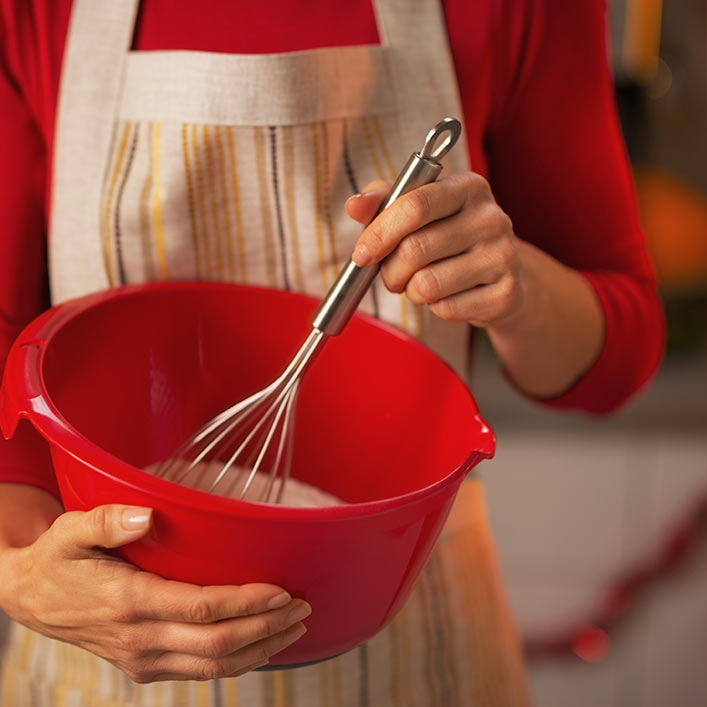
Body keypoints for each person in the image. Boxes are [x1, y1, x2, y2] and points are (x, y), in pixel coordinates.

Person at [0, 0, 664, 705]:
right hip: (100, 648)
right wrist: (17, 571)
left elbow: (617, 358)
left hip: (418, 655)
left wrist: (516, 284)